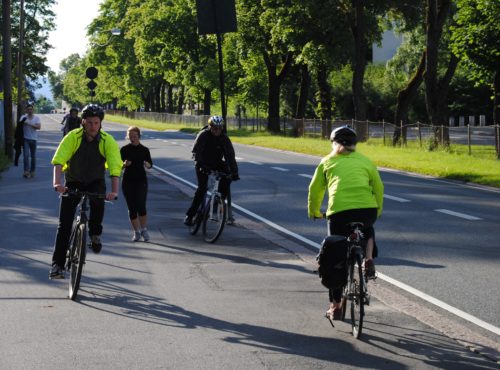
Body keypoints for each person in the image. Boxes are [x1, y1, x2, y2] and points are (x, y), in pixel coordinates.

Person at [308, 125, 384, 319]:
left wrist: (315, 212)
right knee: (367, 228)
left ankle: (335, 307)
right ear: (354, 144)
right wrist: (377, 210)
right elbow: (378, 187)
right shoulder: (366, 161)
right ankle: (368, 259)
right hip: (367, 210)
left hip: (339, 213)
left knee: (334, 259)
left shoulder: (327, 161)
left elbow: (315, 190)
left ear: (334, 143)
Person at [49, 104, 122, 279]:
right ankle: (57, 265)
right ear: (83, 122)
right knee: (64, 224)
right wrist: (57, 183)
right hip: (73, 181)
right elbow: (59, 161)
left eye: (96, 123)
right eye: (89, 122)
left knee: (99, 204)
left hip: (95, 181)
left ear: (100, 123)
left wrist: (114, 191)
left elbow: (114, 167)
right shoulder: (72, 137)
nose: (93, 126)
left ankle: (95, 234)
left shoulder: (107, 140)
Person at [184, 115, 239, 226]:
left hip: (216, 162)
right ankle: (190, 215)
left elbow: (230, 156)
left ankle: (217, 201)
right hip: (202, 163)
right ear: (210, 127)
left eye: (219, 128)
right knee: (202, 188)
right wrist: (200, 165)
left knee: (227, 177)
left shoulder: (224, 138)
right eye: (214, 128)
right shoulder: (203, 135)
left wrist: (234, 172)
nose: (217, 131)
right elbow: (196, 152)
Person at [120, 126, 153, 242]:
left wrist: (147, 164)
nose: (133, 138)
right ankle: (136, 232)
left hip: (141, 181)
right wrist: (124, 164)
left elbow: (150, 164)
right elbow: (119, 165)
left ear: (139, 136)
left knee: (141, 206)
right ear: (128, 137)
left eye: (135, 136)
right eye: (130, 136)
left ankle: (144, 229)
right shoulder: (124, 149)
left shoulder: (144, 150)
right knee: (132, 208)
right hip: (128, 181)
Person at [20, 104, 41, 178]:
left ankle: (32, 171)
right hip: (25, 139)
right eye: (28, 109)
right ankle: (26, 171)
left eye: (31, 109)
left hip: (34, 139)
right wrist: (23, 123)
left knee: (33, 156)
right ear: (26, 110)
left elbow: (38, 127)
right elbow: (19, 126)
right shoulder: (23, 117)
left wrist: (29, 123)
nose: (30, 111)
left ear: (33, 110)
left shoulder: (36, 118)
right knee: (25, 155)